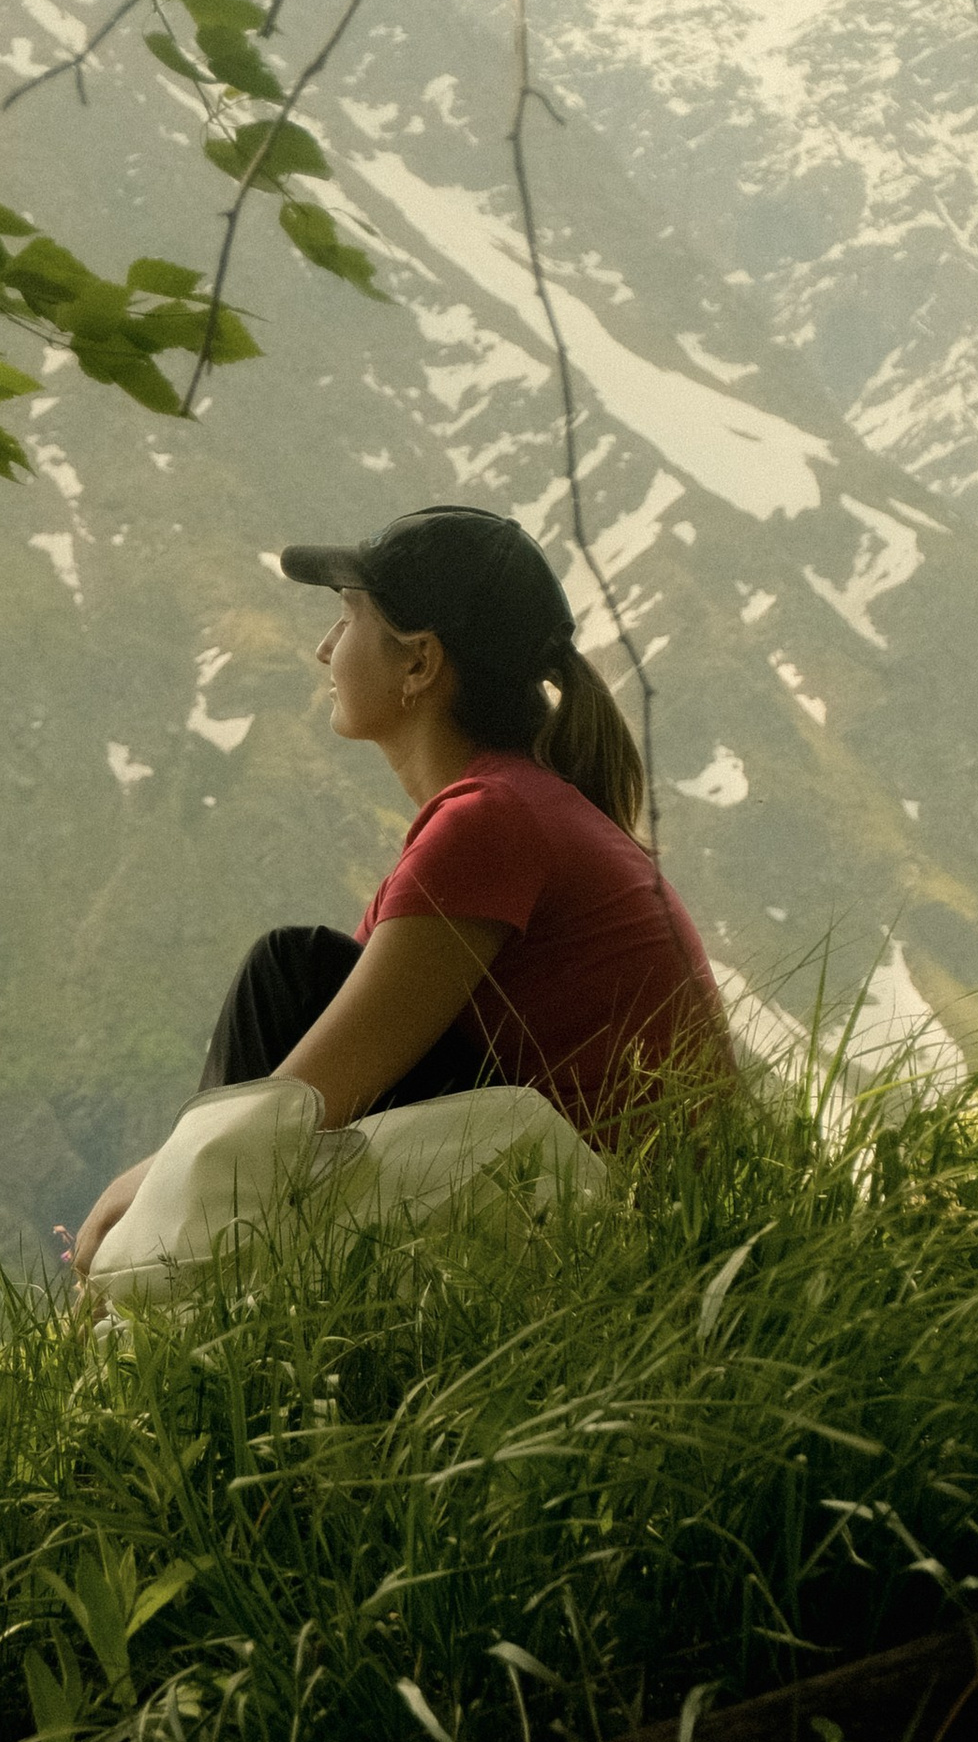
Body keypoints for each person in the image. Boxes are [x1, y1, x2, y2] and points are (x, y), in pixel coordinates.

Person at [71, 504, 734, 1273]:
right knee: (307, 992)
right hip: (609, 1206)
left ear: (419, 663)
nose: (324, 649)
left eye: (348, 617)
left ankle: (164, 1301)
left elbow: (308, 1096)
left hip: (624, 1235)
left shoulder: (492, 821)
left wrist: (149, 1180)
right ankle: (185, 1290)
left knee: (287, 977)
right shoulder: (517, 804)